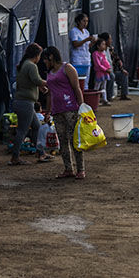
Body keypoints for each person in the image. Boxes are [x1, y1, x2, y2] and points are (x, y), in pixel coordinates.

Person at [41, 46, 87, 180]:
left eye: (45, 59)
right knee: (62, 141)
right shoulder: (49, 73)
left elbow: (76, 87)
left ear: (50, 57)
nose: (44, 62)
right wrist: (48, 112)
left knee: (74, 141)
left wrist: (81, 106)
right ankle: (68, 168)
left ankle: (81, 169)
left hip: (70, 109)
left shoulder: (67, 68)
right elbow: (49, 93)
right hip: (57, 111)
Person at [10, 43, 53, 165]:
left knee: (36, 127)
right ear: (37, 55)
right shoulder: (31, 66)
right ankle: (15, 157)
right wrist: (50, 83)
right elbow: (36, 80)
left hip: (22, 102)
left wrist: (41, 87)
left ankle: (41, 153)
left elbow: (31, 82)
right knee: (22, 131)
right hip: (26, 103)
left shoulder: (24, 65)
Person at [99, 32, 131, 101]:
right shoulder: (100, 52)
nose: (111, 41)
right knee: (111, 75)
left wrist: (122, 69)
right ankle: (109, 96)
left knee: (123, 75)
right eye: (110, 39)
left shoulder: (110, 49)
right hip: (104, 72)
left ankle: (124, 94)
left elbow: (117, 59)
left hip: (112, 71)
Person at [91, 38, 113, 106]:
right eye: (103, 44)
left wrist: (108, 68)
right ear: (98, 46)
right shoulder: (95, 54)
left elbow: (106, 61)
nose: (104, 46)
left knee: (104, 87)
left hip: (105, 72)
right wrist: (106, 69)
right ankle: (94, 101)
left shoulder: (103, 54)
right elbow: (98, 64)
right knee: (97, 87)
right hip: (100, 73)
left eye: (104, 44)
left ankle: (104, 100)